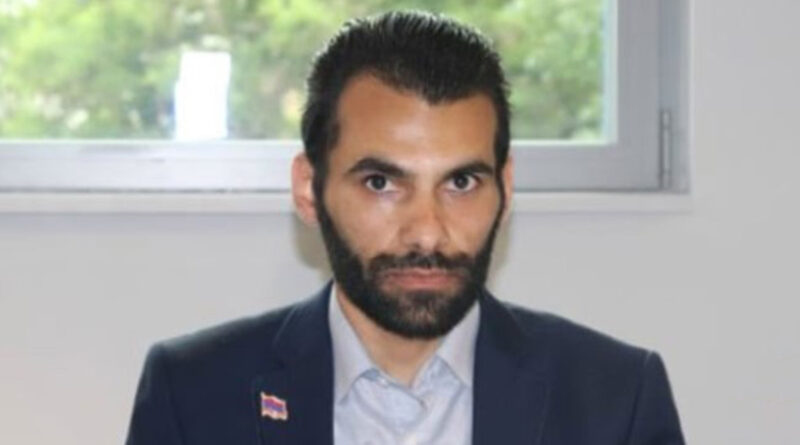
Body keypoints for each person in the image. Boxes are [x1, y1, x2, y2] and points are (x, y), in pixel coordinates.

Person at [126, 11, 684, 445]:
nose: (426, 234)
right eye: (381, 183)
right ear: (308, 189)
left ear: (506, 189)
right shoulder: (193, 393)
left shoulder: (617, 400)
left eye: (460, 182)